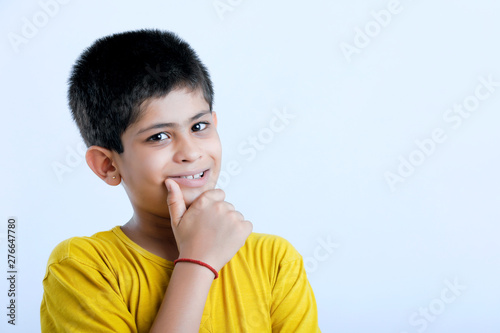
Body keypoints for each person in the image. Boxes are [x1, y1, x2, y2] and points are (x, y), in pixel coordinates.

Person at [40, 29, 320, 332]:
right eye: (159, 137)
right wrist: (197, 262)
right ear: (108, 165)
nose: (191, 152)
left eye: (199, 126)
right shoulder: (83, 267)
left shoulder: (275, 261)